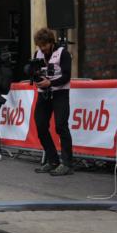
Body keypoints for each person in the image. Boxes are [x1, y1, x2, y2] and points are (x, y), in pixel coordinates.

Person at [32, 28, 74, 176]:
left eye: (44, 45)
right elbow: (35, 72)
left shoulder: (63, 53)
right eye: (39, 46)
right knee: (40, 125)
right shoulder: (37, 54)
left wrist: (50, 82)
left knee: (61, 126)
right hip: (43, 93)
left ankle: (67, 164)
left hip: (60, 93)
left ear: (51, 42)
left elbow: (66, 76)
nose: (42, 49)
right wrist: (35, 76)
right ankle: (52, 160)